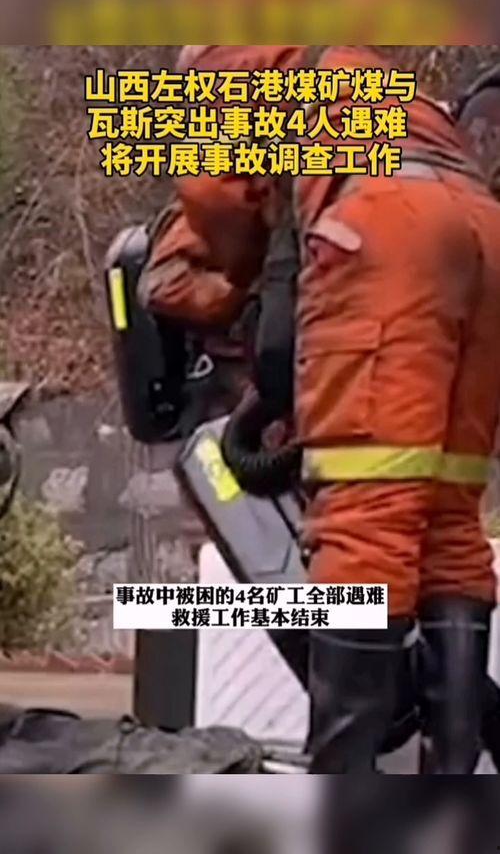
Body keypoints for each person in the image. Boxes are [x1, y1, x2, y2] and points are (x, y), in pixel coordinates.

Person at [139, 45, 500, 774]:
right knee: (448, 517)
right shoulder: (371, 79)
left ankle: (343, 792)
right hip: (483, 231)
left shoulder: (232, 65)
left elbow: (219, 202)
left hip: (386, 236)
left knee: (366, 516)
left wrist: (225, 285)